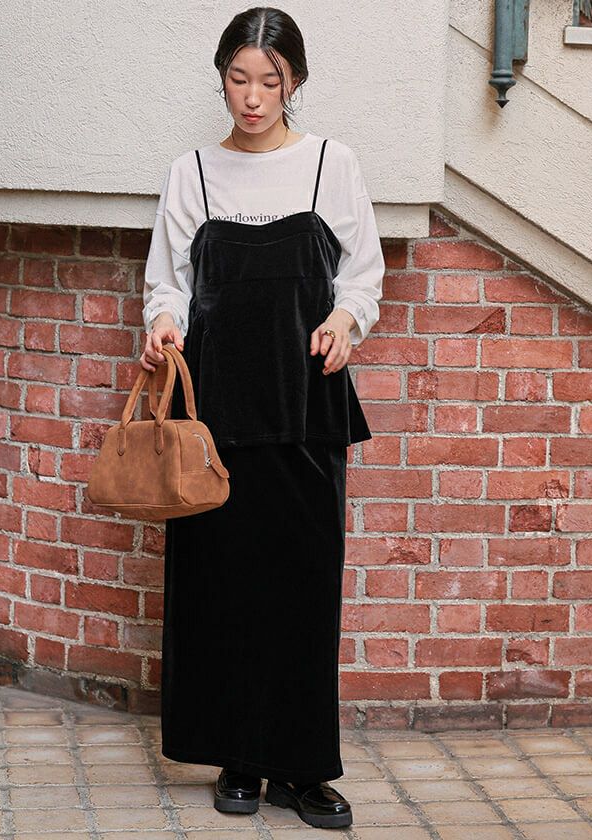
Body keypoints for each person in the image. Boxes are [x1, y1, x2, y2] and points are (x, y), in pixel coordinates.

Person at [140, 7, 384, 831]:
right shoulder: (192, 173)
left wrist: (344, 321)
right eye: (238, 79)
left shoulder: (330, 165)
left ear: (293, 83)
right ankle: (238, 759)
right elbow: (168, 281)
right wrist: (162, 322)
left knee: (304, 591)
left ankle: (303, 769)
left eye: (269, 81)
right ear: (222, 80)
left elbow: (363, 276)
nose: (252, 97)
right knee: (222, 590)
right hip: (213, 417)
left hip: (306, 407)